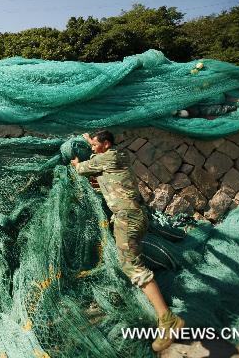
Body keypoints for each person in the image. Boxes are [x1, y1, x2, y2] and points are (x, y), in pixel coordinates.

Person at [71, 130, 184, 352]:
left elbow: (81, 168)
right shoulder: (117, 156)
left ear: (106, 144)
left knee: (131, 265)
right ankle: (159, 308)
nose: (92, 147)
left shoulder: (108, 158)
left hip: (127, 217)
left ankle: (167, 319)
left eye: (94, 144)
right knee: (133, 261)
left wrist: (76, 162)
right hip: (135, 216)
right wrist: (89, 142)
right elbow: (98, 163)